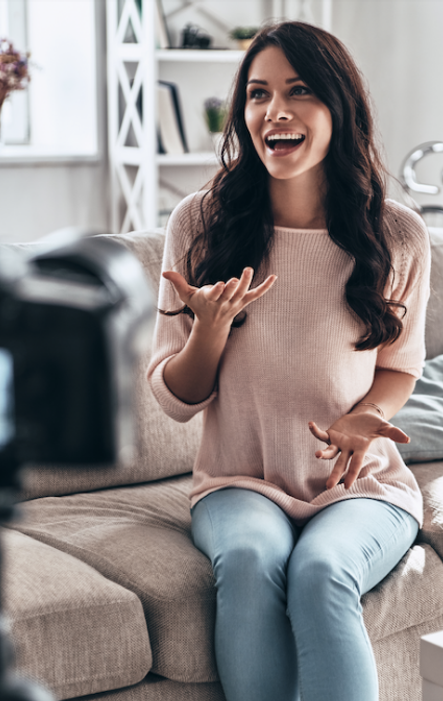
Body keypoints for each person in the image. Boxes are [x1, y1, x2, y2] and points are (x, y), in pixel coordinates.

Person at [147, 21, 428, 701]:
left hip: (363, 489)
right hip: (239, 480)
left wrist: (366, 416)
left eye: (298, 91)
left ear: (338, 106)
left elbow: (399, 366)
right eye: (256, 94)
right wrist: (206, 332)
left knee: (321, 571)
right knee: (247, 560)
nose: (273, 110)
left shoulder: (395, 233)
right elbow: (173, 397)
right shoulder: (198, 223)